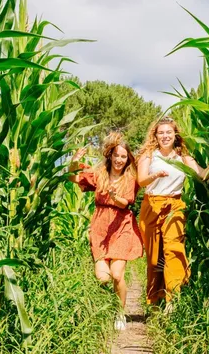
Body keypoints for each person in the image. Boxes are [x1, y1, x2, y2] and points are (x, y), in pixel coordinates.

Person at [68, 132, 143, 330]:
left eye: (123, 157)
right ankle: (107, 306)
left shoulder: (130, 178)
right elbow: (73, 177)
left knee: (117, 274)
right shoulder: (99, 174)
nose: (119, 160)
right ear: (110, 156)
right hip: (100, 226)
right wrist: (75, 161)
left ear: (128, 159)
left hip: (122, 225)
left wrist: (113, 196)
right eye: (116, 155)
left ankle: (120, 312)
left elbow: (125, 202)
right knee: (103, 278)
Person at [137, 116, 209, 312]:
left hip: (175, 205)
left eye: (168, 132)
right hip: (151, 205)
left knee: (174, 250)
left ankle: (173, 299)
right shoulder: (148, 155)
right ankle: (154, 301)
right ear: (155, 135)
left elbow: (202, 175)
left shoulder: (183, 157)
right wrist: (155, 175)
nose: (165, 136)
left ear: (175, 134)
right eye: (161, 132)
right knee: (154, 259)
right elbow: (142, 180)